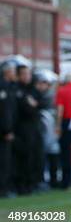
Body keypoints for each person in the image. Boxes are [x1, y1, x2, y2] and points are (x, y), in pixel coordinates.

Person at [13, 56, 43, 195]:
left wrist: (34, 104)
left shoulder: (32, 89)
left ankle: (34, 183)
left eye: (28, 73)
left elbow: (42, 103)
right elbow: (25, 108)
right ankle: (22, 185)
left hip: (34, 128)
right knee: (23, 158)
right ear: (18, 76)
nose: (27, 76)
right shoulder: (16, 89)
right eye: (24, 74)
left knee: (36, 155)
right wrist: (32, 105)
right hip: (21, 129)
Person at [34, 70, 61, 190]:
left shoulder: (50, 96)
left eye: (44, 83)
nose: (41, 86)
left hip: (51, 131)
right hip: (42, 131)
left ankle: (53, 180)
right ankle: (44, 180)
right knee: (42, 156)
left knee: (53, 155)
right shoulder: (38, 96)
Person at [0, 59, 18, 198]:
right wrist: (7, 130)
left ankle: (7, 187)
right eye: (12, 71)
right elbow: (4, 111)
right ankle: (3, 189)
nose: (14, 74)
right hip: (4, 132)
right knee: (4, 161)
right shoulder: (3, 87)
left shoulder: (11, 86)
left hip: (9, 130)